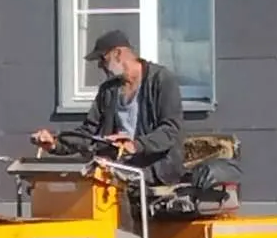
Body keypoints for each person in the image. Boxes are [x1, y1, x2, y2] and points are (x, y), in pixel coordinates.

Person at [31, 30, 185, 186]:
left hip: (157, 169)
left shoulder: (161, 79)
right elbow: (89, 132)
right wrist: (55, 144)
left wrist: (134, 145)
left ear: (118, 54)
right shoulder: (108, 90)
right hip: (119, 168)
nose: (99, 65)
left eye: (102, 59)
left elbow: (170, 130)